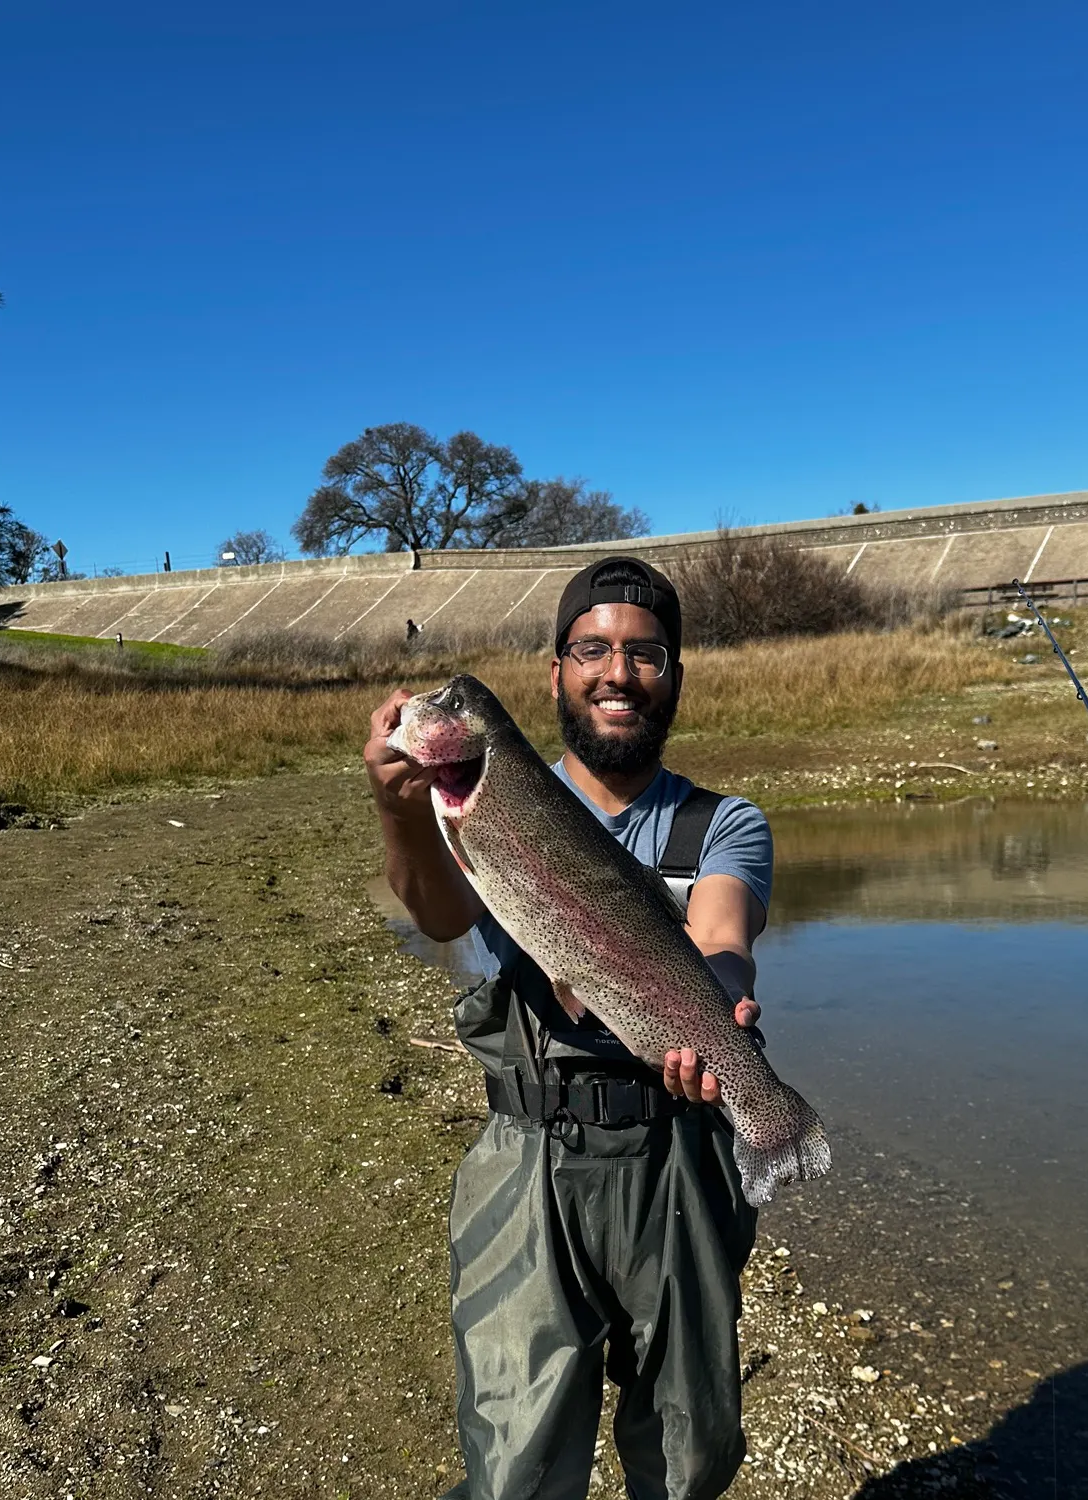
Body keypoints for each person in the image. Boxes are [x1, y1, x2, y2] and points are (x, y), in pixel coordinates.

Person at [364, 556, 773, 1500]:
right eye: (592, 648)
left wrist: (722, 1006)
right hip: (524, 1157)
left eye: (645, 653)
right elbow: (436, 915)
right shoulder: (472, 798)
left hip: (681, 1149)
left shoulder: (725, 823)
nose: (617, 672)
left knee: (687, 1455)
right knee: (515, 1462)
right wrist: (396, 808)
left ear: (673, 676)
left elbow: (719, 938)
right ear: (556, 672)